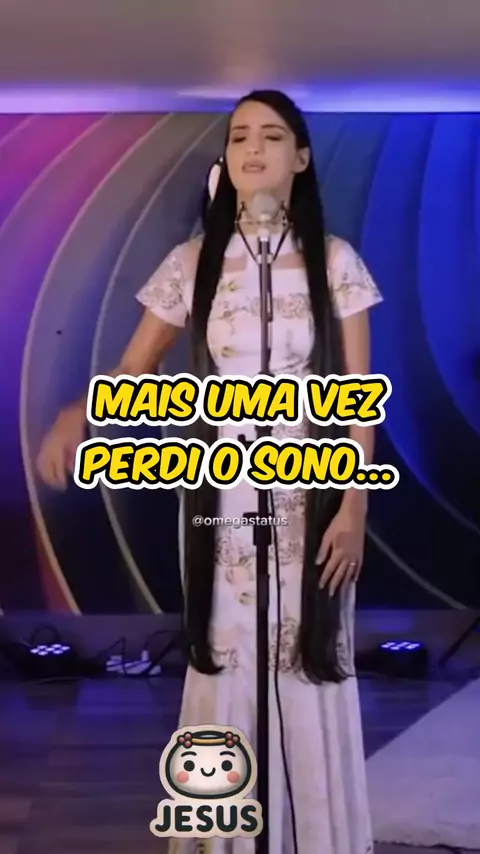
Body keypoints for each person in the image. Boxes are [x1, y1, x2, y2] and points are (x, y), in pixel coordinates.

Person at [37, 90, 382, 853]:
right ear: (226, 160)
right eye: (239, 137)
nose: (253, 149)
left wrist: (354, 506)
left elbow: (360, 398)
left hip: (310, 489)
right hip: (223, 491)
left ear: (301, 157)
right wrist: (77, 415)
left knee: (303, 656)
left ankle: (314, 837)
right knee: (226, 656)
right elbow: (133, 369)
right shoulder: (192, 264)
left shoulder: (336, 263)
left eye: (272, 136)